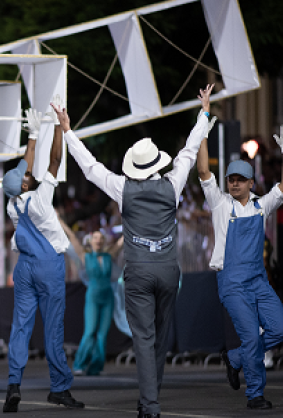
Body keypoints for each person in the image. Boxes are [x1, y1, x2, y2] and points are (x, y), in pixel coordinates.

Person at [53, 84, 213, 418]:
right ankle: (150, 399)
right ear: (157, 163)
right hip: (169, 269)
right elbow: (190, 147)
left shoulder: (124, 188)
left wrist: (68, 131)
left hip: (139, 270)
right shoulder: (172, 183)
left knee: (143, 337)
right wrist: (203, 112)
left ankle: (150, 404)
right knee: (160, 336)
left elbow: (90, 167)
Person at [1, 103, 84, 413]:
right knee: (53, 329)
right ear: (24, 182)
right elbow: (55, 160)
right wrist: (61, 129)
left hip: (24, 267)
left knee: (20, 327)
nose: (27, 173)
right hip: (48, 266)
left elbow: (25, 168)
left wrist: (33, 136)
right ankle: (59, 389)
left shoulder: (13, 205)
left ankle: (13, 385)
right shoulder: (41, 196)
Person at [197, 120, 283, 410]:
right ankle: (255, 395)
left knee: (280, 328)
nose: (233, 183)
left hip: (258, 280)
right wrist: (202, 129)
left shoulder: (263, 205)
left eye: (240, 179)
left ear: (251, 183)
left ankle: (235, 358)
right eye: (230, 179)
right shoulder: (221, 204)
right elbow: (202, 172)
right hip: (232, 282)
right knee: (251, 336)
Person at [60, 226, 124, 376]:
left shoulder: (109, 255)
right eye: (95, 238)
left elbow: (122, 242)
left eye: (101, 238)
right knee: (90, 332)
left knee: (102, 334)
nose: (99, 240)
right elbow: (74, 239)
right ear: (91, 241)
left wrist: (133, 222)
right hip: (93, 298)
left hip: (107, 297)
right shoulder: (85, 256)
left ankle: (96, 367)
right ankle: (79, 365)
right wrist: (61, 222)